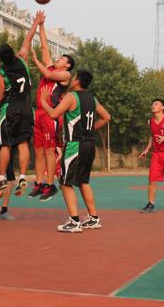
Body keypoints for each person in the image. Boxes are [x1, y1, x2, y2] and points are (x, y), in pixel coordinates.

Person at [40, 69, 111, 233]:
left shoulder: (72, 97)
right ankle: (94, 218)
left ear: (77, 81)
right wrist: (90, 130)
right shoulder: (92, 99)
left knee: (65, 182)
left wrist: (43, 101)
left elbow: (53, 114)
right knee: (83, 181)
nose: (71, 80)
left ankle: (74, 221)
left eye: (74, 78)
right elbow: (107, 117)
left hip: (75, 145)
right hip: (89, 144)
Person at [0, 11, 42, 194]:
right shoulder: (23, 60)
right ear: (13, 53)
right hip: (27, 109)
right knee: (23, 143)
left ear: (1, 58)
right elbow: (28, 39)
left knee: (6, 144)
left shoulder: (1, 74)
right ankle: (23, 176)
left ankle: (1, 178)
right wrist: (36, 22)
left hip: (10, 110)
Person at [29, 15, 74, 202]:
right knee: (38, 151)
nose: (58, 58)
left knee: (49, 151)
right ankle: (39, 183)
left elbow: (47, 73)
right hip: (39, 113)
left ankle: (50, 185)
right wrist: (41, 25)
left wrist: (35, 60)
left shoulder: (65, 75)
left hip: (51, 115)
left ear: (67, 65)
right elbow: (44, 47)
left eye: (62, 58)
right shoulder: (52, 67)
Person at [138, 99, 164, 213]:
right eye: (152, 104)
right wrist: (147, 149)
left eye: (156, 104)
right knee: (152, 179)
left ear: (162, 108)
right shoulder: (150, 121)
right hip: (157, 154)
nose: (153, 106)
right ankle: (151, 204)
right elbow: (152, 136)